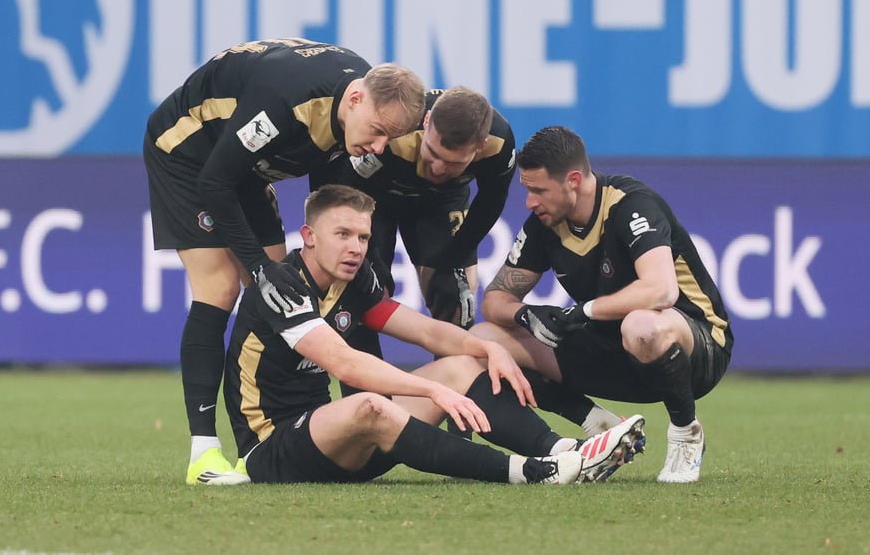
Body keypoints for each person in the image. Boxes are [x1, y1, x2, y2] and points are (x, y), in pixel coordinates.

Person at [222, 184, 647, 485]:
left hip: (335, 443)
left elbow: (424, 330)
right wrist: (432, 392)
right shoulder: (280, 284)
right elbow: (345, 363)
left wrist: (486, 348)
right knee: (369, 405)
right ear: (309, 237)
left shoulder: (354, 278)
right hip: (272, 451)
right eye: (343, 235)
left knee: (460, 365)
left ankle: (566, 452)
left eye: (364, 237)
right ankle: (530, 471)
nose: (356, 247)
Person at [143, 38, 426, 485]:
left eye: (389, 138)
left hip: (246, 167)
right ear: (355, 99)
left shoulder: (357, 104)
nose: (378, 146)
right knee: (221, 288)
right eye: (376, 131)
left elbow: (329, 188)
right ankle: (204, 452)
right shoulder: (284, 101)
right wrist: (258, 267)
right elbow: (216, 180)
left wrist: (366, 261)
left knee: (285, 297)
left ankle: (270, 441)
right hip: (189, 154)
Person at [474, 126, 732, 483]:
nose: (530, 202)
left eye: (539, 190)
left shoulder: (631, 205)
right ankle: (597, 422)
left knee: (641, 325)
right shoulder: (543, 224)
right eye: (527, 190)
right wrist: (526, 314)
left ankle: (686, 432)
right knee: (484, 338)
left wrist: (582, 312)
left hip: (696, 348)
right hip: (615, 351)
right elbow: (494, 300)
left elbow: (661, 291)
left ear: (573, 180)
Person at [309, 87, 517, 405]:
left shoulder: (499, 144)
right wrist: (370, 262)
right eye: (432, 153)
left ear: (480, 148)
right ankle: (367, 408)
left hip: (441, 201)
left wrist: (453, 258)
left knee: (455, 298)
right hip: (372, 197)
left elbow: (491, 202)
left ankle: (461, 420)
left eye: (453, 162)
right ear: (427, 122)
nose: (438, 168)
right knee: (361, 294)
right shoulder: (395, 128)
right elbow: (335, 186)